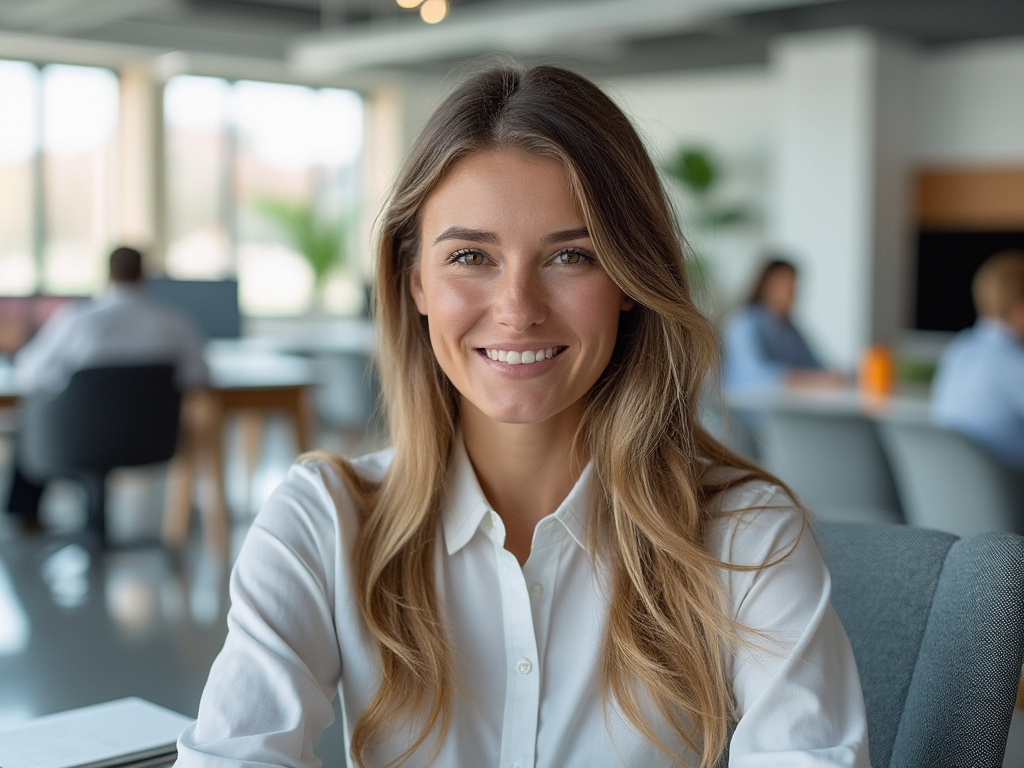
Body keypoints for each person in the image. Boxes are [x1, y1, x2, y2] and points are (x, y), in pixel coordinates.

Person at [176, 65, 869, 767]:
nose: (517, 308)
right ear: (415, 280)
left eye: (571, 256)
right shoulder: (324, 521)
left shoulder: (743, 534)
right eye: (471, 256)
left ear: (630, 280)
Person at [5, 245, 209, 529]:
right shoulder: (174, 323)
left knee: (34, 418)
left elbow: (28, 373)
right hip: (151, 441)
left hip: (74, 441)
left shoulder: (79, 320)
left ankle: (25, 520)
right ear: (144, 275)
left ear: (108, 275)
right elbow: (199, 376)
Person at [931, 250, 1024, 470]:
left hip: (959, 488)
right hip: (1010, 491)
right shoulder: (1012, 363)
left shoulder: (959, 348)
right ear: (1020, 307)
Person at [722, 258, 846, 391]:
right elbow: (753, 376)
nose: (791, 293)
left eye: (793, 286)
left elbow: (815, 365)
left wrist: (840, 375)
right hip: (747, 408)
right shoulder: (744, 323)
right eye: (785, 286)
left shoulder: (789, 329)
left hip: (785, 406)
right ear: (766, 286)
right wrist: (810, 380)